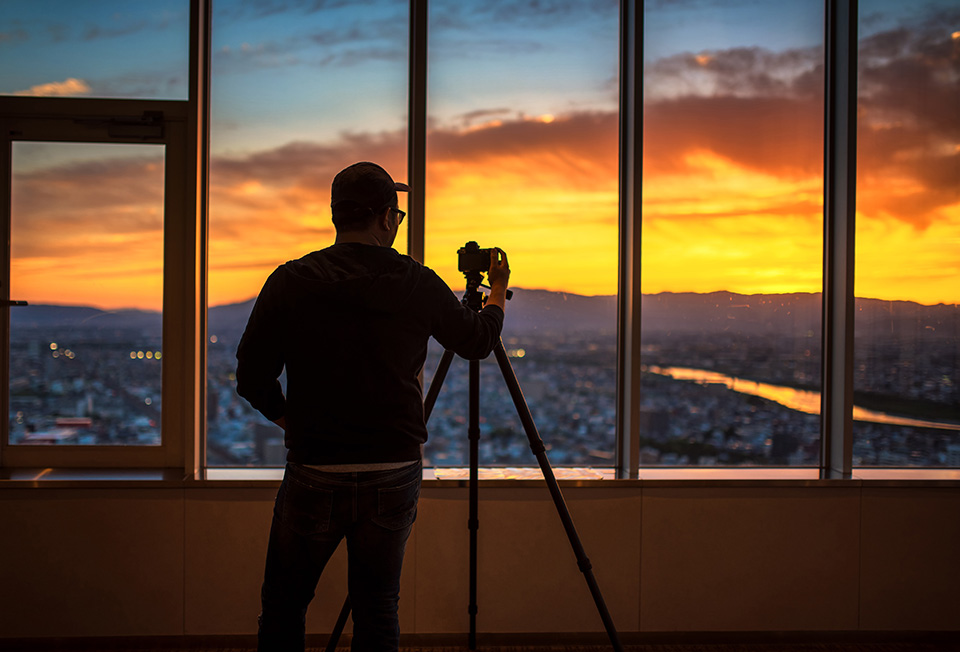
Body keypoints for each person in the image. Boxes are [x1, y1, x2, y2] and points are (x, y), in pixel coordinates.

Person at [235, 161, 510, 651]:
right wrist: (497, 296)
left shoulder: (291, 280)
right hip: (393, 469)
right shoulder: (416, 282)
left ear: (337, 215)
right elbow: (476, 342)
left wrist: (290, 420)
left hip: (315, 466)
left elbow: (252, 375)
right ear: (386, 218)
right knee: (378, 608)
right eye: (398, 217)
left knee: (283, 606)